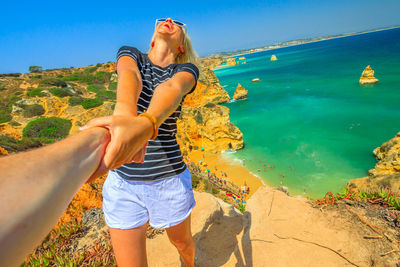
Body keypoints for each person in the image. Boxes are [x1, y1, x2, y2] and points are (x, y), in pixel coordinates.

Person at [84, 18, 199, 267]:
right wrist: (125, 115)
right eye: (164, 20)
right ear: (152, 39)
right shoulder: (131, 55)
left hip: (168, 181)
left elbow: (171, 88)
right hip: (123, 184)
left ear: (181, 46)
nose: (169, 21)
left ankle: (189, 264)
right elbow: (129, 76)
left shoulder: (185, 70)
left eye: (177, 23)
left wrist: (146, 123)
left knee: (183, 245)